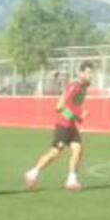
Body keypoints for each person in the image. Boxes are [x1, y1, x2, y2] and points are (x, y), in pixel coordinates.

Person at [24, 60, 95, 191]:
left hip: (71, 125)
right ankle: (32, 173)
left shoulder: (85, 86)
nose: (91, 75)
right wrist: (76, 117)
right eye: (88, 72)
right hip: (63, 124)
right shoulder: (74, 86)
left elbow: (74, 105)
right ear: (80, 73)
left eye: (92, 72)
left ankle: (71, 181)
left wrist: (78, 116)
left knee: (78, 150)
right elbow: (59, 106)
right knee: (55, 153)